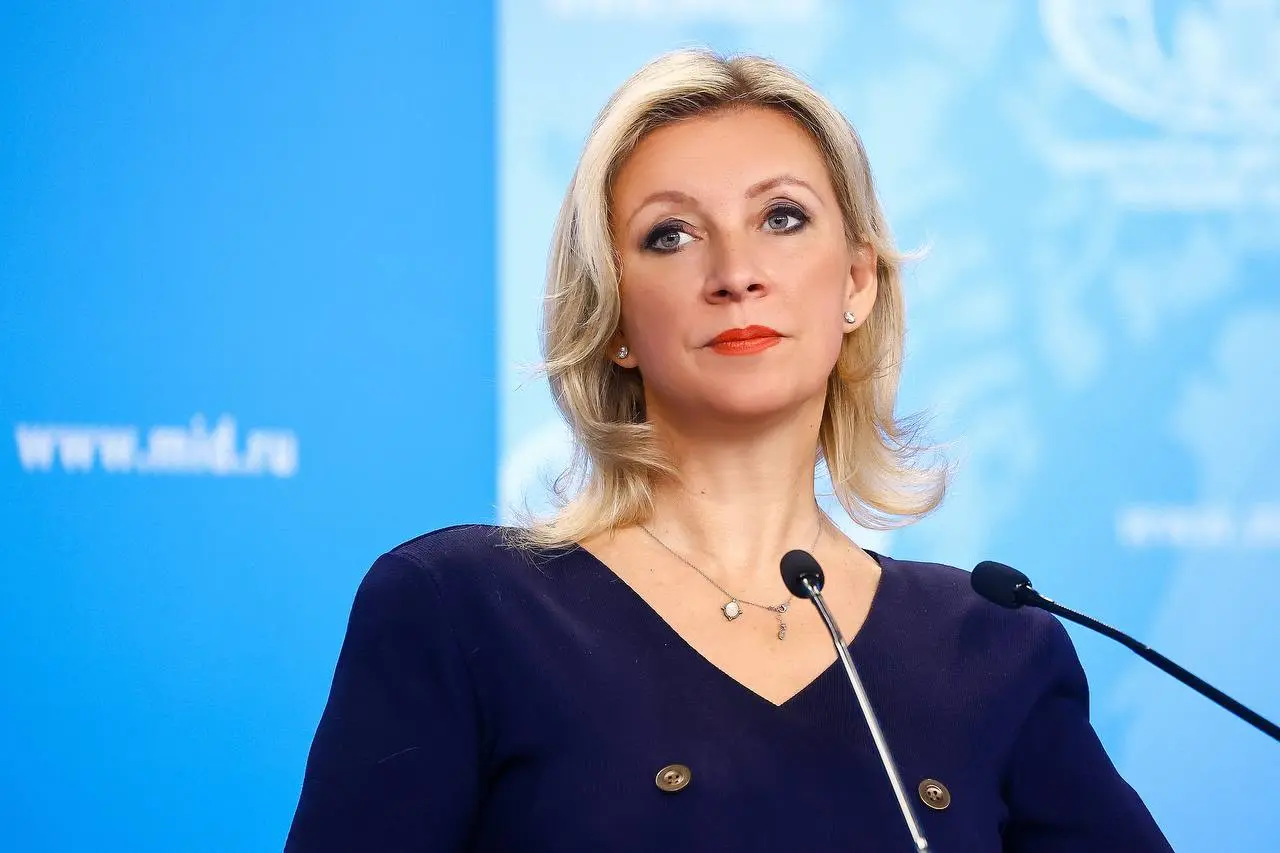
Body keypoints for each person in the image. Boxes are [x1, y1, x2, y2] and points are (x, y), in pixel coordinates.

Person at [284, 49, 1172, 851]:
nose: (736, 273)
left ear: (857, 281)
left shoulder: (993, 644)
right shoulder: (459, 608)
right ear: (613, 317)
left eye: (781, 218)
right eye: (670, 235)